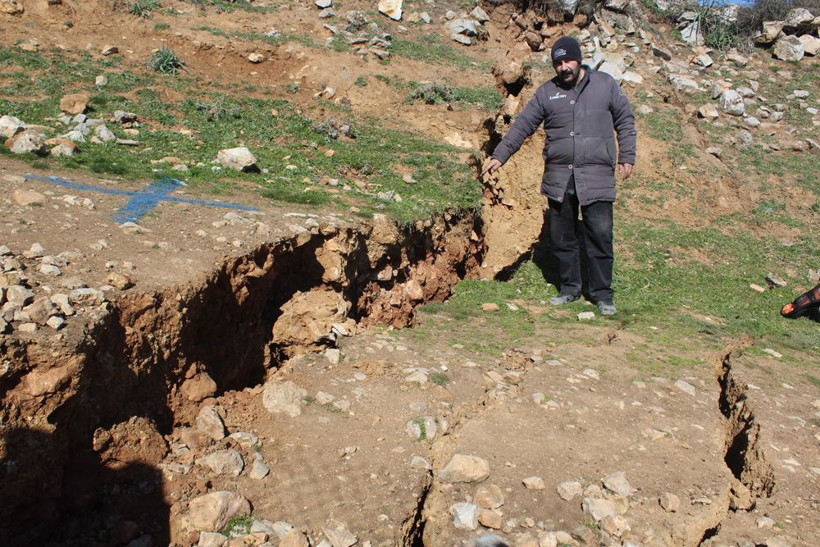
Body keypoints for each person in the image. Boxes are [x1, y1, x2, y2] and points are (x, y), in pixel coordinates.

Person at [482, 35, 636, 315]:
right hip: (559, 178)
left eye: (568, 60)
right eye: (558, 62)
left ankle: (602, 295)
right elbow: (523, 126)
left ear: (579, 59)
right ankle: (569, 289)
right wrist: (500, 155)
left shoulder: (605, 85)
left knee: (600, 235)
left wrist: (627, 156)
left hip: (597, 176)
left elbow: (625, 120)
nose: (564, 67)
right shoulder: (546, 92)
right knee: (562, 237)